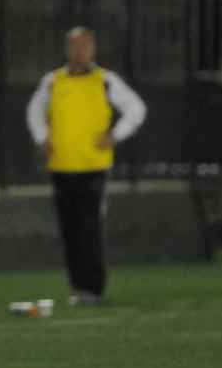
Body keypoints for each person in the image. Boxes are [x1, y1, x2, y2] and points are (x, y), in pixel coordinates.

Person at [25, 27, 147, 305]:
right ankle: (77, 287)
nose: (79, 52)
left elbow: (136, 108)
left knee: (90, 229)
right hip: (62, 166)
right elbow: (34, 112)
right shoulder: (53, 82)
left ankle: (93, 287)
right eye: (74, 46)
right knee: (69, 229)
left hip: (93, 166)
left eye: (84, 46)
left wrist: (115, 135)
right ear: (67, 49)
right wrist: (42, 137)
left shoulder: (105, 81)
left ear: (92, 49)